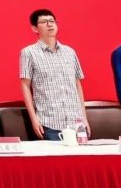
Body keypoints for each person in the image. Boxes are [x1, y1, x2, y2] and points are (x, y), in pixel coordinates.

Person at [18, 8, 85, 140]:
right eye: (44, 22)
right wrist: (34, 119)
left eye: (52, 21)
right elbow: (25, 86)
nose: (49, 24)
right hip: (49, 123)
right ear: (35, 28)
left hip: (76, 123)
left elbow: (77, 84)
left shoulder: (69, 52)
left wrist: (84, 118)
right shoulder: (28, 53)